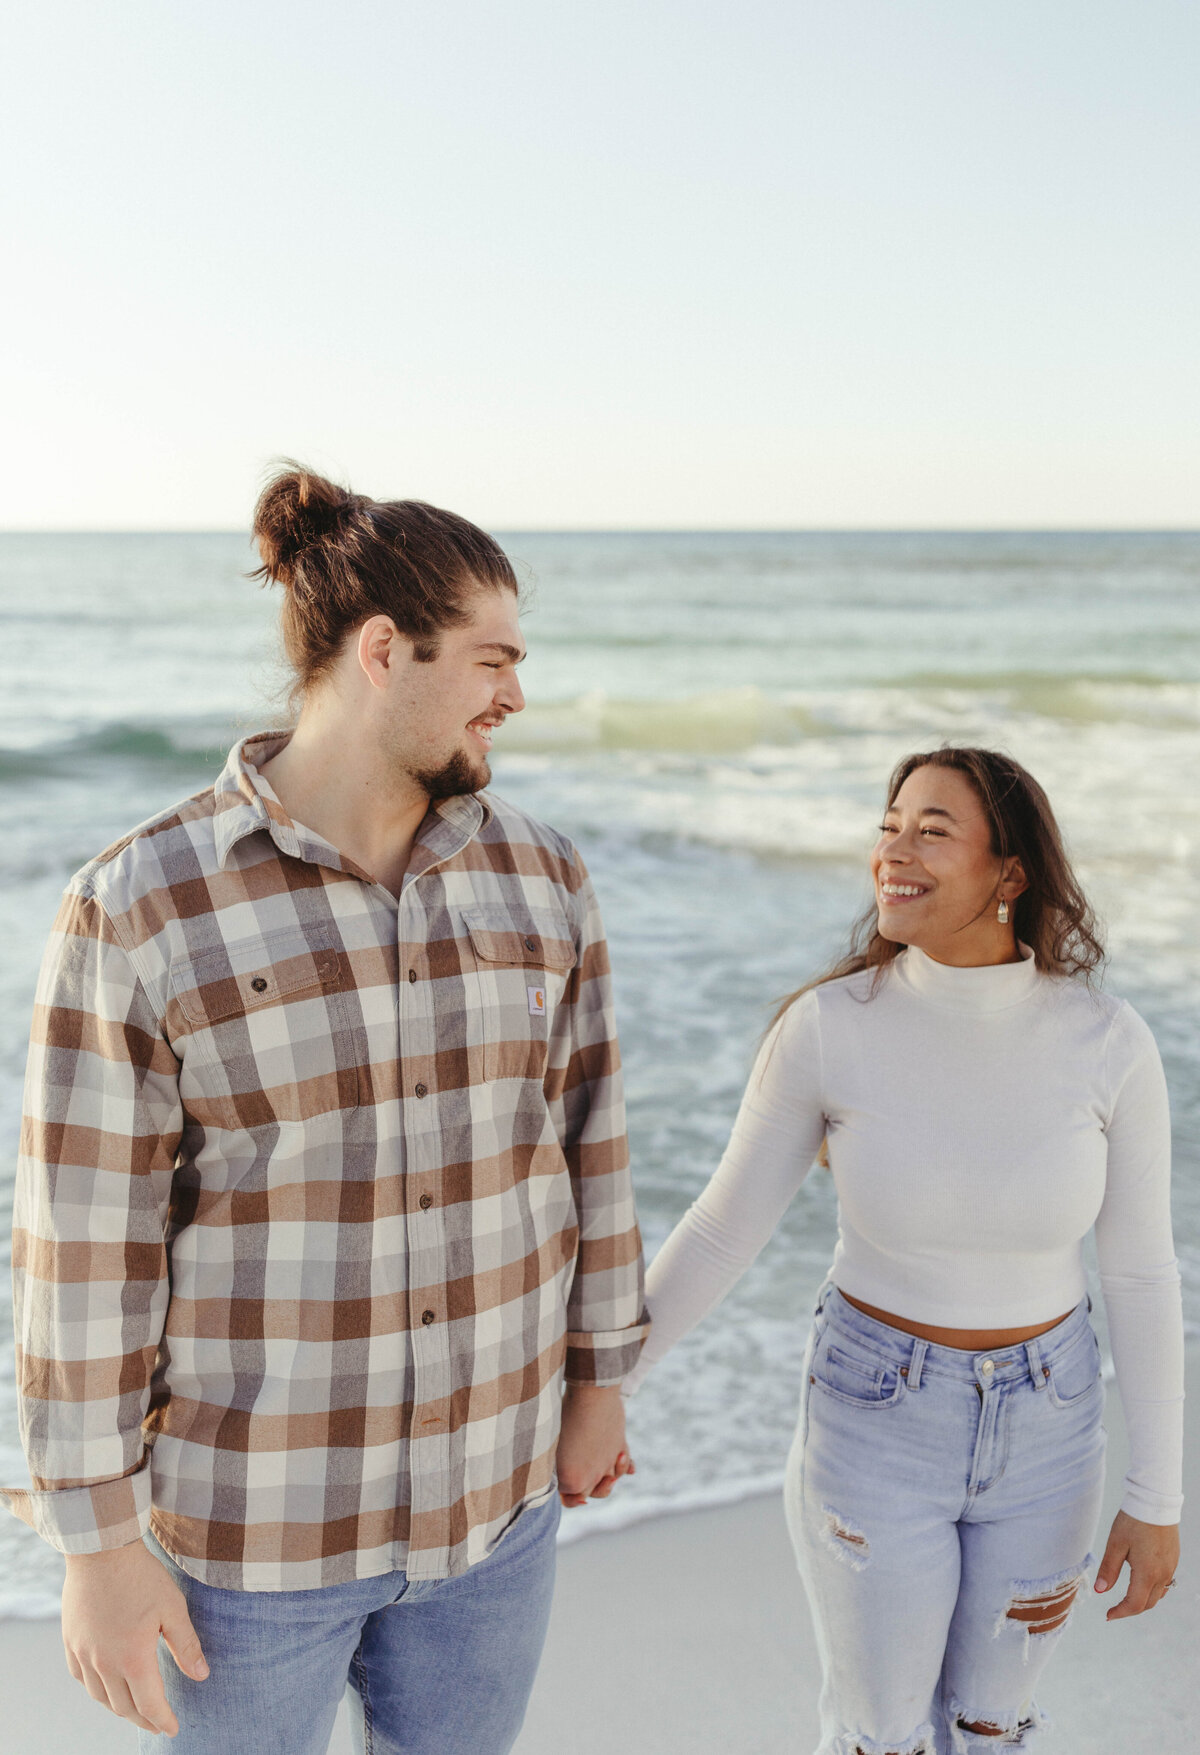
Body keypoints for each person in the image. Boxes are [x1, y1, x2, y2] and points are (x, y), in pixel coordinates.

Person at [5, 465, 647, 1754]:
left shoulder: (543, 874)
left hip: (494, 1515)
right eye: (490, 659)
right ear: (380, 651)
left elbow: (591, 1146)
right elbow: (84, 1249)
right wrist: (98, 1546)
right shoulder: (142, 902)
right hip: (252, 1542)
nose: (514, 695)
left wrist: (600, 1386)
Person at [624, 746, 1183, 1755]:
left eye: (931, 829)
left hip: (1051, 1429)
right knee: (880, 1734)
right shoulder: (830, 1029)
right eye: (889, 824)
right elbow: (720, 1231)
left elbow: (1142, 1273)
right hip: (875, 1417)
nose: (894, 849)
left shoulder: (1108, 1042)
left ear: (1010, 875)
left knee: (993, 1725)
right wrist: (604, 1390)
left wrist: (1158, 1499)